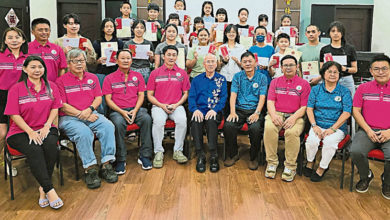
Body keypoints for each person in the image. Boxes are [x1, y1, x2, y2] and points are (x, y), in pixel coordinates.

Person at [5, 56, 63, 209]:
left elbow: (55, 108)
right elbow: (13, 114)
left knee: (51, 146)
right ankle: (49, 190)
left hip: (45, 127)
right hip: (20, 131)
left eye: (40, 67)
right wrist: (30, 132)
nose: (37, 70)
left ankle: (43, 188)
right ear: (25, 69)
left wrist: (47, 125)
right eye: (33, 67)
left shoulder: (52, 86)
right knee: (35, 149)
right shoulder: (16, 89)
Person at [56, 49, 117, 189]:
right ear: (68, 64)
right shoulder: (60, 81)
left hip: (90, 113)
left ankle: (107, 164)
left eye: (81, 61)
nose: (79, 64)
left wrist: (88, 111)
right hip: (69, 118)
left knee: (108, 126)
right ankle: (90, 169)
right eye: (75, 61)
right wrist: (81, 114)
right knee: (84, 133)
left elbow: (98, 98)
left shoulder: (92, 78)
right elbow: (62, 106)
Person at [103, 50, 153, 173]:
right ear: (116, 60)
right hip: (117, 111)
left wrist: (135, 110)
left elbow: (141, 95)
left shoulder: (138, 76)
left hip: (136, 109)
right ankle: (121, 159)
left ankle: (145, 155)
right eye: (123, 58)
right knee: (118, 124)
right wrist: (122, 111)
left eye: (128, 58)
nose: (126, 61)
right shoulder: (109, 78)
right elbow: (108, 100)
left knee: (147, 119)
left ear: (132, 60)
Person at [264, 55, 311, 182]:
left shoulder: (304, 84)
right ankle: (272, 163)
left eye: (291, 65)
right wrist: (273, 115)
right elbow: (270, 102)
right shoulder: (275, 82)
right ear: (281, 67)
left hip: (296, 115)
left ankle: (290, 166)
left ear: (297, 67)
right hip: (277, 113)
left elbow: (304, 107)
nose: (288, 67)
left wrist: (293, 118)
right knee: (269, 127)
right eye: (285, 65)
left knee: (291, 132)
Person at [350, 55, 390, 200]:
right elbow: (356, 111)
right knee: (355, 151)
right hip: (367, 130)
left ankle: (387, 182)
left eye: (384, 68)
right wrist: (367, 130)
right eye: (376, 69)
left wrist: (389, 132)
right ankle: (366, 175)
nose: (381, 72)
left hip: (389, 132)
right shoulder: (363, 88)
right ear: (371, 71)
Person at [304, 61, 352, 182]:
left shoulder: (344, 91)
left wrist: (333, 128)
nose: (332, 74)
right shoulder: (315, 90)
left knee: (330, 142)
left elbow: (346, 113)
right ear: (323, 74)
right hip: (318, 124)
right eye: (329, 71)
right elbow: (309, 109)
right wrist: (314, 126)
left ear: (339, 75)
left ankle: (322, 167)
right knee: (312, 141)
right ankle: (310, 162)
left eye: (335, 72)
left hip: (337, 127)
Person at [147, 45, 190, 168]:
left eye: (174, 55)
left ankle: (178, 150)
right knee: (159, 121)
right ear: (163, 56)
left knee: (182, 120)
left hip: (176, 105)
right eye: (169, 55)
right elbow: (149, 95)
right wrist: (162, 105)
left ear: (177, 57)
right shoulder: (155, 73)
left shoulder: (182, 73)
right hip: (159, 106)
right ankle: (158, 152)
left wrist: (176, 105)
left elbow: (186, 93)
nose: (171, 57)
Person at [223, 51, 268, 170]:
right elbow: (233, 95)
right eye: (245, 62)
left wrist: (257, 113)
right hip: (239, 109)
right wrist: (232, 112)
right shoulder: (237, 76)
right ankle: (233, 153)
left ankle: (254, 156)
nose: (247, 64)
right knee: (228, 125)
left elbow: (262, 97)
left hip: (255, 110)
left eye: (250, 61)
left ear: (255, 63)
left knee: (255, 129)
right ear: (241, 64)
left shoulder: (262, 77)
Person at [189, 53, 227, 173]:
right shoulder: (196, 80)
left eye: (213, 62)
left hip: (214, 110)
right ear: (204, 64)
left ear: (216, 64)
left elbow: (223, 98)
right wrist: (195, 109)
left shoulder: (221, 79)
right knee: (196, 120)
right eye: (208, 62)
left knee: (211, 121)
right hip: (199, 109)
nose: (211, 64)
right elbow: (191, 97)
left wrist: (214, 110)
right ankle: (200, 154)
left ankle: (213, 155)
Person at [0, 27, 29, 177]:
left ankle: (23, 159)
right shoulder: (0, 56)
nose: (14, 40)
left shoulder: (29, 58)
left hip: (23, 98)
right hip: (2, 97)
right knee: (2, 133)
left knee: (20, 130)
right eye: (10, 37)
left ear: (23, 39)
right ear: (5, 41)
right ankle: (3, 162)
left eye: (17, 37)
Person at [319, 21, 357, 96]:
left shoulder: (350, 49)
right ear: (329, 33)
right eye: (333, 31)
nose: (336, 33)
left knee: (348, 103)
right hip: (329, 80)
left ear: (342, 33)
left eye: (339, 31)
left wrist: (344, 69)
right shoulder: (324, 49)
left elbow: (355, 69)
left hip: (346, 79)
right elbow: (321, 68)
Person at [29, 18, 67, 82]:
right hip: (31, 87)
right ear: (32, 32)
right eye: (40, 30)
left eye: (46, 30)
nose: (44, 32)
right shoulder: (26, 48)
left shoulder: (57, 48)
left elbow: (62, 68)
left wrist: (57, 83)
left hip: (52, 87)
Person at [219, 24, 246, 117]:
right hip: (224, 77)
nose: (231, 34)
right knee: (225, 99)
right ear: (225, 34)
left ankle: (235, 118)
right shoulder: (221, 47)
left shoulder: (241, 48)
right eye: (229, 32)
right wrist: (224, 61)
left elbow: (245, 65)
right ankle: (225, 120)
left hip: (237, 78)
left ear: (237, 34)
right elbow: (218, 66)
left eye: (233, 32)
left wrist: (238, 62)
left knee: (236, 99)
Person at [124, 19, 154, 84]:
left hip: (145, 69)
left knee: (145, 91)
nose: (139, 30)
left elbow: (151, 61)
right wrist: (127, 55)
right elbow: (124, 61)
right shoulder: (128, 44)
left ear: (145, 30)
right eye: (137, 27)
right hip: (132, 69)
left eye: (142, 28)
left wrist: (151, 56)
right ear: (133, 29)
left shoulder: (149, 43)